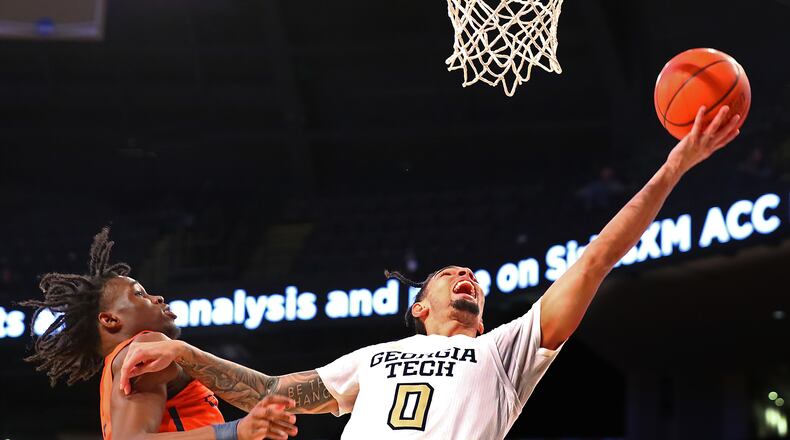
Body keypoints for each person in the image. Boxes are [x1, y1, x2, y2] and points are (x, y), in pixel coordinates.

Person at [119, 106, 742, 438]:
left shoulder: (506, 350)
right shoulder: (373, 358)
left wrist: (674, 168)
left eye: (473, 277)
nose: (467, 276)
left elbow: (598, 257)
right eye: (450, 274)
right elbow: (274, 392)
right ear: (419, 306)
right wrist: (184, 352)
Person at [22, 228, 299, 440]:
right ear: (110, 319)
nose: (157, 298)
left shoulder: (115, 369)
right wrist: (235, 431)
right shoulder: (147, 345)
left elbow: (268, 388)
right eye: (139, 294)